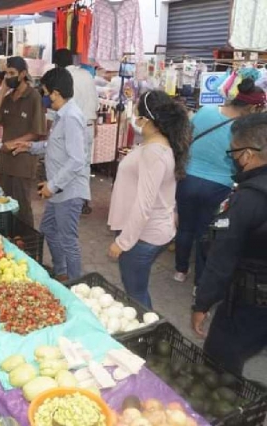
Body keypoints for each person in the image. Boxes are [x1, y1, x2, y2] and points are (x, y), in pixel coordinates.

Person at [191, 113, 267, 376]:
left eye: (232, 153)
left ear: (247, 154)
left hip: (248, 303)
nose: (231, 159)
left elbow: (221, 258)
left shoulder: (247, 200)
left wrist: (202, 304)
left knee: (218, 366)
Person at [174, 78, 266, 288]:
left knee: (185, 227)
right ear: (252, 107)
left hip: (188, 179)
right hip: (219, 186)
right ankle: (200, 283)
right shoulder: (243, 131)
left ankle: (180, 270)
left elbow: (186, 138)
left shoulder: (205, 111)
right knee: (205, 234)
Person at [107, 91, 192, 308]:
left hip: (141, 237)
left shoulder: (154, 152)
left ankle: (148, 334)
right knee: (136, 289)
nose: (135, 120)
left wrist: (123, 242)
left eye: (138, 115)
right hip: (150, 231)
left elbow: (144, 204)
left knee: (136, 294)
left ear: (149, 119)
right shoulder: (159, 145)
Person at [7, 68, 90, 281]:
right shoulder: (62, 116)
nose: (44, 97)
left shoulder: (71, 117)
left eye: (45, 92)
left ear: (55, 92)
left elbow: (76, 159)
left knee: (68, 239)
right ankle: (61, 271)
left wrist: (52, 186)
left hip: (68, 191)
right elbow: (55, 146)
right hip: (58, 190)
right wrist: (30, 146)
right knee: (48, 229)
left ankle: (75, 284)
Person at [0, 56, 47, 227]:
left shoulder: (33, 97)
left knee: (22, 205)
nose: (8, 76)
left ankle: (26, 242)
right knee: (5, 202)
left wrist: (13, 143)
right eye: (6, 73)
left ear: (23, 74)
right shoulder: (7, 98)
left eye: (12, 73)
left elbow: (37, 132)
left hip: (23, 159)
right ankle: (10, 237)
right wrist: (2, 91)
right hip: (6, 160)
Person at [53, 48, 100, 214]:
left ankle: (70, 200)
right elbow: (95, 101)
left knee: (68, 161)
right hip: (88, 124)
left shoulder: (61, 78)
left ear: (57, 63)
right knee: (84, 163)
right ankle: (83, 201)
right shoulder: (87, 75)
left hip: (72, 126)